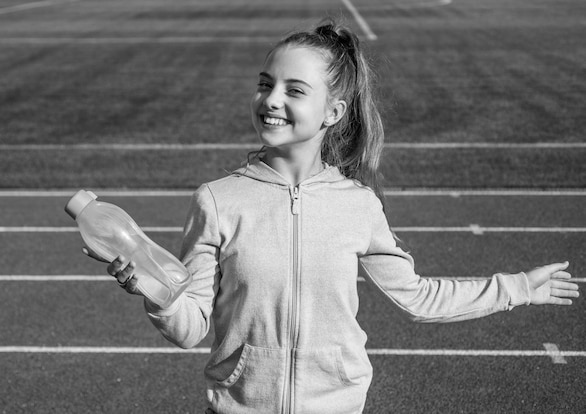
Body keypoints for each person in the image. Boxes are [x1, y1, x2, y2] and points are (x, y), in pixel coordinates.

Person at [83, 20, 579, 414]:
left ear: (333, 112)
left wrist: (520, 288)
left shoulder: (357, 204)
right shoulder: (217, 200)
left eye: (294, 90)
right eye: (265, 84)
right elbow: (191, 329)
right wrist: (152, 290)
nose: (271, 100)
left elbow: (419, 297)